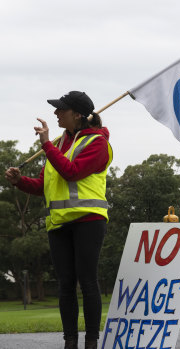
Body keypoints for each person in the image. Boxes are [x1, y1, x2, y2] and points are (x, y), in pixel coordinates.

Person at [5, 91, 112, 349]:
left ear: (77, 115)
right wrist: (20, 181)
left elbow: (71, 173)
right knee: (65, 284)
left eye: (61, 110)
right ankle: (70, 341)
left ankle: (91, 341)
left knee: (87, 281)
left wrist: (46, 146)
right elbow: (43, 185)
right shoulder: (58, 143)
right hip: (58, 223)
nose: (56, 113)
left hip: (88, 219)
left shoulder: (98, 143)